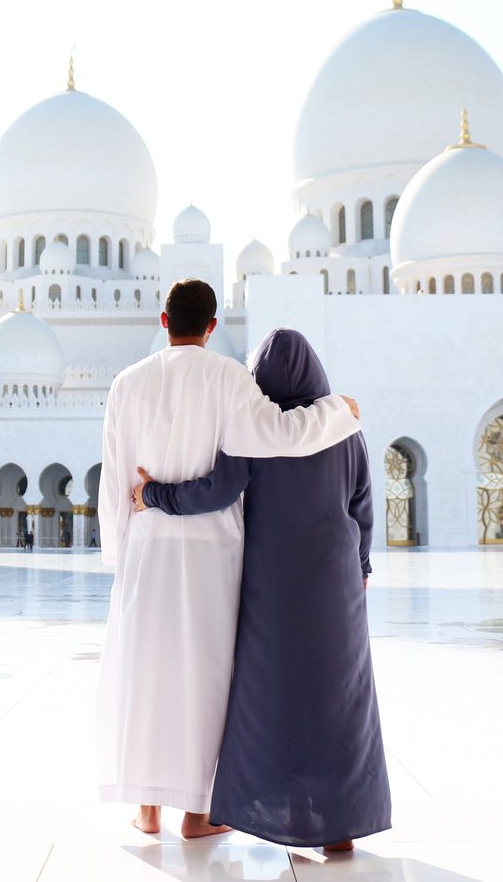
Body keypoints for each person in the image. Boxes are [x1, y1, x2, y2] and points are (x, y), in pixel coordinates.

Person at [96, 279, 362, 840]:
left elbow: (114, 476)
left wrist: (120, 555)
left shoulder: (126, 382)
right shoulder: (228, 378)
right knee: (206, 680)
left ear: (163, 321)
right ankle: (198, 814)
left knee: (147, 673)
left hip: (147, 547)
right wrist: (339, 413)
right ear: (213, 327)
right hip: (212, 553)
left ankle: (147, 810)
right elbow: (280, 433)